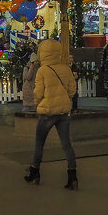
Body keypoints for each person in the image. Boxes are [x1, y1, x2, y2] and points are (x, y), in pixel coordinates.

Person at [23, 39, 79, 190]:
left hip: (47, 112)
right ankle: (72, 175)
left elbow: (38, 93)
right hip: (63, 112)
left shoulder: (43, 70)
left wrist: (38, 101)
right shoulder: (65, 68)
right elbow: (72, 90)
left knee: (39, 143)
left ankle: (35, 171)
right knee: (67, 144)